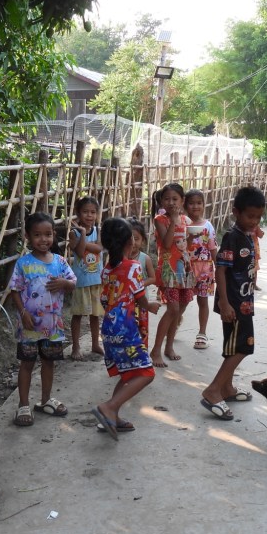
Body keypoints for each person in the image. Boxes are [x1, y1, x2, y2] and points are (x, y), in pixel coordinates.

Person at [91, 217, 162, 440]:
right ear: (129, 242)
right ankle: (109, 407)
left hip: (109, 328)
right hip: (125, 329)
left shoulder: (106, 270)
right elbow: (140, 297)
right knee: (147, 373)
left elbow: (105, 300)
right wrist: (149, 306)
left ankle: (112, 415)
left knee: (127, 373)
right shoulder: (133, 267)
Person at [200, 186, 266, 421]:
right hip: (235, 304)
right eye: (250, 216)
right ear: (236, 212)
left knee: (232, 346)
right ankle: (213, 390)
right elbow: (220, 271)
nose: (254, 221)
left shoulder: (246, 234)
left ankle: (226, 388)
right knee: (243, 347)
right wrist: (225, 303)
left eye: (258, 217)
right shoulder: (232, 237)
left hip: (243, 302)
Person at [8, 212, 77, 426]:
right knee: (27, 364)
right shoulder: (23, 263)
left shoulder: (60, 261)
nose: (43, 239)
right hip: (29, 326)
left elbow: (73, 282)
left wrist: (64, 284)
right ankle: (23, 405)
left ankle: (46, 400)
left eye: (48, 234)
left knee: (49, 362)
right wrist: (23, 313)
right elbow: (15, 290)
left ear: (54, 235)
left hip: (53, 326)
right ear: (28, 236)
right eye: (37, 235)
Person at [150, 183, 194, 367]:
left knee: (180, 307)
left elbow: (186, 244)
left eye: (175, 199)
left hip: (184, 269)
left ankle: (169, 347)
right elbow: (167, 244)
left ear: (182, 201)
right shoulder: (160, 220)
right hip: (168, 270)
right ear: (161, 201)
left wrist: (193, 237)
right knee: (172, 309)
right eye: (167, 199)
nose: (171, 202)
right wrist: (174, 221)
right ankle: (156, 350)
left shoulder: (186, 220)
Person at [67, 195, 104, 360]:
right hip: (81, 281)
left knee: (95, 315)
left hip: (96, 280)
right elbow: (81, 252)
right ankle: (76, 346)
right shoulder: (73, 233)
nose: (89, 215)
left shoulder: (98, 231)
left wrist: (84, 243)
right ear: (78, 213)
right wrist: (82, 234)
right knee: (78, 315)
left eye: (93, 212)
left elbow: (100, 248)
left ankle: (95, 343)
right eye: (85, 212)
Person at [184, 189, 217, 350]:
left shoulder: (207, 225)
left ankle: (202, 333)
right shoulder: (182, 224)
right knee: (182, 301)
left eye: (199, 203)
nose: (195, 206)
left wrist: (219, 268)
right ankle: (174, 323)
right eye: (191, 203)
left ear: (204, 205)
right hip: (186, 270)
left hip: (205, 270)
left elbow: (213, 248)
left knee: (202, 301)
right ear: (185, 205)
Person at [127, 217, 156, 348]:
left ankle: (143, 352)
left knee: (142, 329)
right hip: (125, 303)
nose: (132, 243)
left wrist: (139, 285)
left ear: (143, 240)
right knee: (127, 328)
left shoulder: (145, 259)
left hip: (142, 302)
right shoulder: (120, 258)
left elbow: (152, 278)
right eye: (129, 239)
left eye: (136, 238)